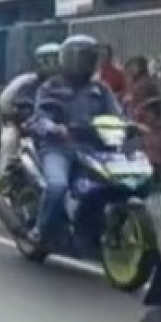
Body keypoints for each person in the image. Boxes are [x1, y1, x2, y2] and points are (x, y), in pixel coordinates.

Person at [24, 34, 122, 244]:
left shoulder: (101, 89)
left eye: (90, 58)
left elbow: (118, 115)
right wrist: (55, 128)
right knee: (57, 186)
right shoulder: (51, 87)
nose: (86, 63)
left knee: (116, 185)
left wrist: (131, 126)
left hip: (94, 149)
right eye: (82, 58)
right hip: (59, 148)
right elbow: (40, 118)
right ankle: (40, 229)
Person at [0, 42, 60, 179]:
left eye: (56, 59)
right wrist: (22, 120)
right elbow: (11, 103)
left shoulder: (66, 85)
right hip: (23, 127)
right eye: (48, 60)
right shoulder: (26, 83)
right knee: (9, 142)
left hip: (55, 129)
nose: (52, 65)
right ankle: (4, 180)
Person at [122, 55, 161, 174]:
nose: (128, 73)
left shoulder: (143, 85)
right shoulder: (140, 84)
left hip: (145, 129)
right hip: (141, 127)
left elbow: (149, 104)